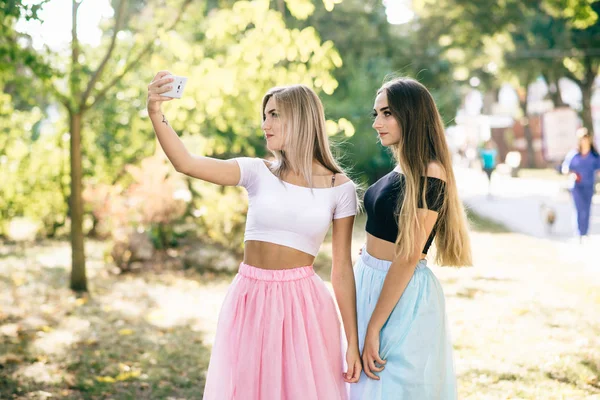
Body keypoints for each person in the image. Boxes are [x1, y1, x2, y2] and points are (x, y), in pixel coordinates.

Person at [147, 71, 362, 399]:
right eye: (265, 116)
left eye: (275, 114)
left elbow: (342, 270)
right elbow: (185, 162)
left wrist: (352, 344)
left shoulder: (340, 188)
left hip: (304, 306)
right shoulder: (257, 172)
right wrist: (155, 113)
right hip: (250, 297)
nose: (265, 124)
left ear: (301, 118)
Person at [351, 77, 472, 400]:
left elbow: (406, 256)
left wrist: (375, 326)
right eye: (375, 114)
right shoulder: (400, 167)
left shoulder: (431, 172)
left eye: (387, 113)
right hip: (370, 282)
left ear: (412, 115)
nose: (377, 122)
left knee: (395, 387)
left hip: (401, 295)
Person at [561, 127, 600, 242]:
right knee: (578, 209)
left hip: (588, 186)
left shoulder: (594, 156)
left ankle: (585, 233)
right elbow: (565, 168)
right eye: (582, 139)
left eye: (586, 138)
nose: (584, 141)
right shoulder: (574, 155)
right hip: (576, 186)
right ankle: (579, 233)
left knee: (586, 210)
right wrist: (571, 173)